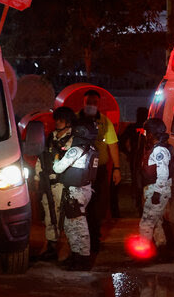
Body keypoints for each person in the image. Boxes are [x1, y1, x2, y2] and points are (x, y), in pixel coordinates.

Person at [77, 89, 121, 255]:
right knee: (79, 205)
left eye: (94, 102)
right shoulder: (75, 119)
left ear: (99, 104)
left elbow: (113, 145)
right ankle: (80, 240)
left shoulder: (104, 121)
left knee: (96, 206)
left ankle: (94, 238)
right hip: (78, 171)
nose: (91, 105)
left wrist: (116, 168)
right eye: (88, 101)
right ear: (83, 102)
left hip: (98, 171)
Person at [52, 120, 99, 271]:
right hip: (85, 190)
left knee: (78, 226)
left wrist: (57, 157)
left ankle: (83, 258)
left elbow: (58, 169)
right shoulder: (92, 149)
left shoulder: (76, 150)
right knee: (71, 225)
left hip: (75, 192)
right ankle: (76, 255)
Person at [33, 107, 76, 261]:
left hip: (64, 183)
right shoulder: (50, 138)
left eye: (61, 120)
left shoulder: (73, 139)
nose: (57, 123)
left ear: (68, 122)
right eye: (56, 119)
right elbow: (41, 158)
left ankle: (67, 246)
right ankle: (50, 245)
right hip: (48, 182)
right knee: (49, 214)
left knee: (65, 216)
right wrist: (37, 178)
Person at [138, 118, 174, 253]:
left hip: (157, 190)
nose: (145, 136)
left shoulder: (159, 150)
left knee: (146, 223)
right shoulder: (157, 148)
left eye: (146, 132)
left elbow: (163, 173)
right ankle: (162, 249)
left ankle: (143, 254)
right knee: (157, 222)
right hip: (155, 190)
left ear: (151, 134)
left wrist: (157, 193)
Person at [119, 106, 149, 216]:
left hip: (138, 160)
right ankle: (141, 207)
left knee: (138, 183)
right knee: (141, 183)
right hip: (140, 160)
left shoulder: (135, 127)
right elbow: (121, 142)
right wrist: (129, 154)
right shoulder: (147, 128)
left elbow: (121, 142)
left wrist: (128, 154)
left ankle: (140, 206)